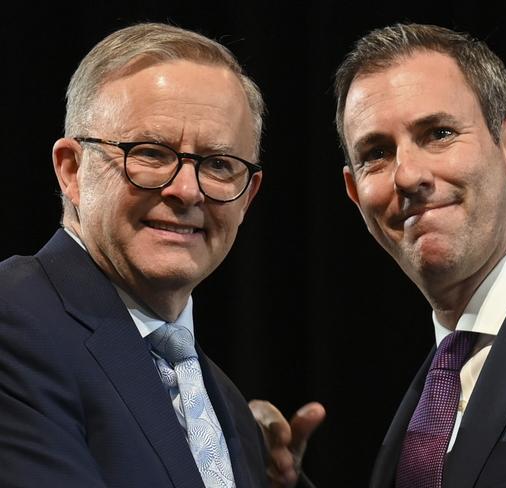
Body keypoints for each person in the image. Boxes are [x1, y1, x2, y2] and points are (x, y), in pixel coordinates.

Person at [255, 23, 506, 487]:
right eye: (376, 153)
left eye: (438, 133)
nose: (407, 175)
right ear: (354, 194)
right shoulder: (432, 391)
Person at [0, 22, 323, 488]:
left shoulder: (227, 408)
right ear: (71, 170)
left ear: (248, 196)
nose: (187, 191)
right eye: (150, 153)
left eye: (218, 164)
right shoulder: (14, 325)